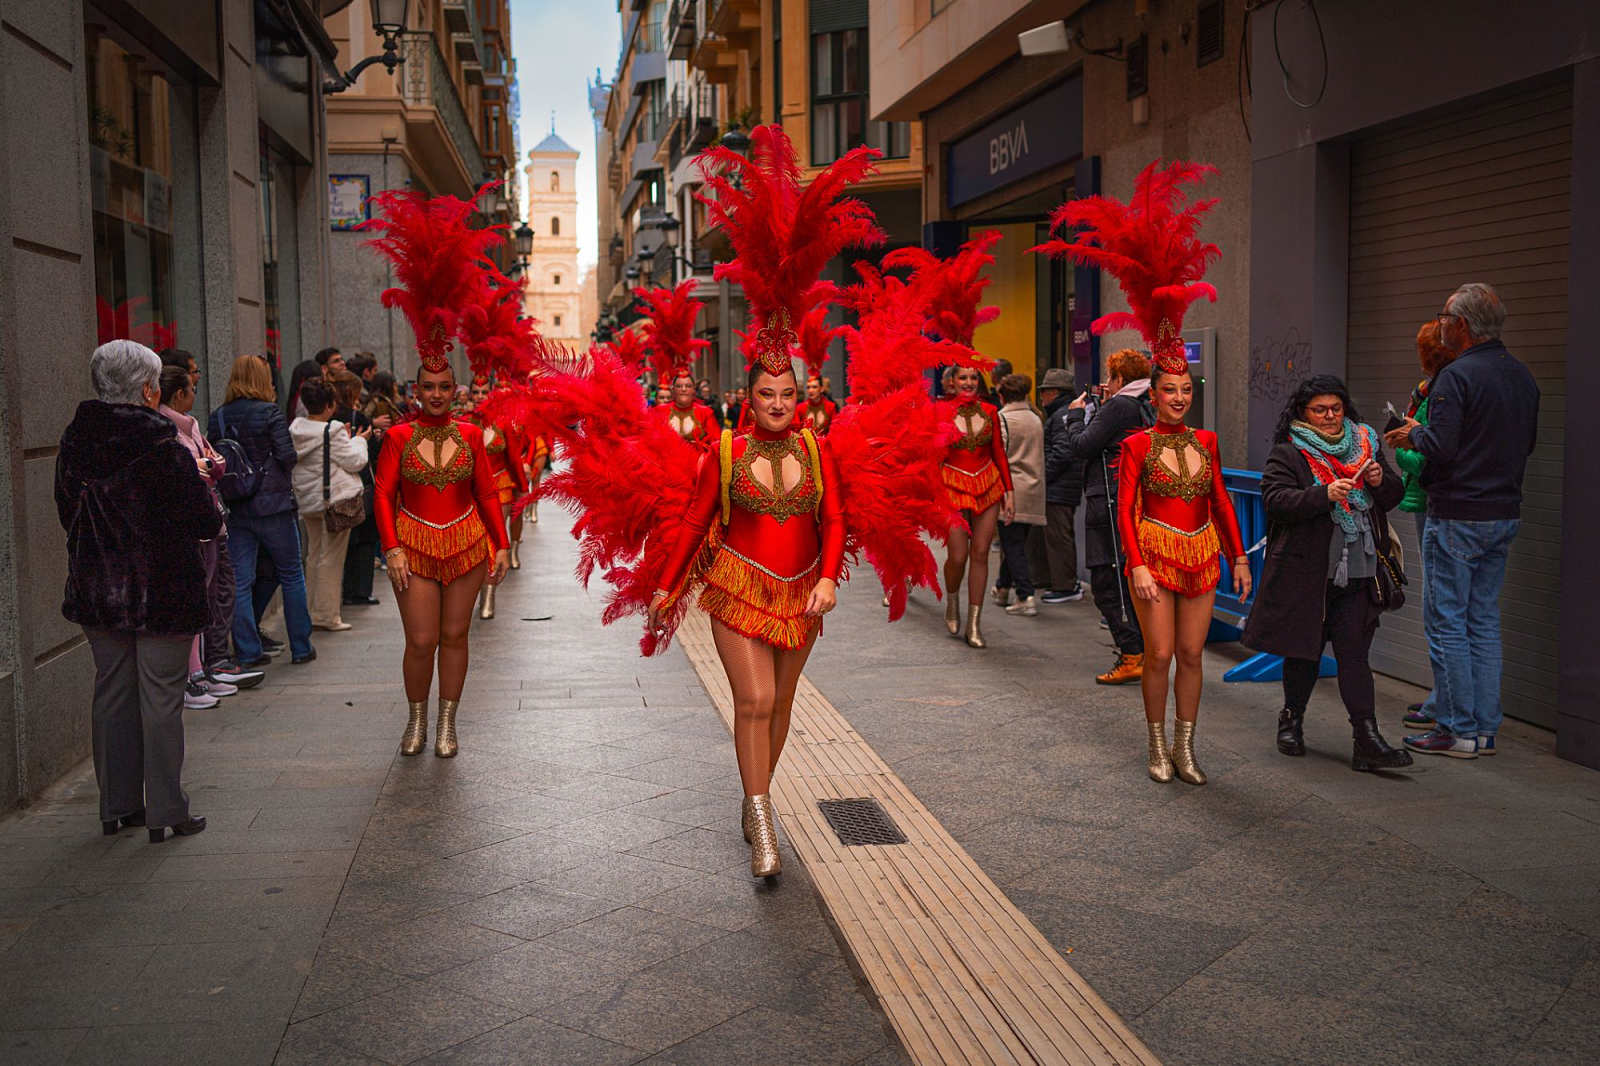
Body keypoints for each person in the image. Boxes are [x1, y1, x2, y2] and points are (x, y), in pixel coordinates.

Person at [1034, 160, 1246, 784]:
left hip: (1204, 554)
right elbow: (1125, 509)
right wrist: (1139, 564)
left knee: (1190, 654)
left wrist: (1236, 555)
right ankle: (1155, 745)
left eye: (1186, 389)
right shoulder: (1135, 443)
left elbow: (1221, 502)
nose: (1179, 397)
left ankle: (1187, 747)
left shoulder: (1206, 440)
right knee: (1156, 653)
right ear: (1152, 394)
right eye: (1169, 390)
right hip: (1153, 551)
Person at [366, 185, 511, 759]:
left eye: (443, 387)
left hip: (468, 544)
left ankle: (449, 723)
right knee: (420, 638)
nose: (433, 394)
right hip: (415, 547)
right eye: (425, 387)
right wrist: (392, 549)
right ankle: (417, 718)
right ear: (414, 390)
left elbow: (488, 492)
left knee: (456, 636)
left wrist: (500, 545)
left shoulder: (472, 435)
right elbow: (382, 495)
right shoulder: (397, 437)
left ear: (456, 390)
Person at [58, 340, 216, 842]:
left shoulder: (75, 441)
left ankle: (117, 805)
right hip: (162, 590)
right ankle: (166, 810)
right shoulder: (162, 446)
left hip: (97, 588)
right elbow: (204, 520)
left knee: (111, 692)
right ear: (149, 390)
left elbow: (67, 512)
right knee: (161, 698)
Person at [1385, 282, 1539, 759]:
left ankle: (1456, 729)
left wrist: (1414, 433)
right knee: (1482, 621)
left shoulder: (1457, 378)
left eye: (1446, 317)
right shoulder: (1521, 377)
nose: (1443, 324)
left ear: (1463, 326)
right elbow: (1525, 445)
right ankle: (1483, 730)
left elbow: (1442, 448)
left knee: (1447, 621)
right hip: (1502, 512)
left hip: (1457, 514)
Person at [1244, 376, 1413, 771]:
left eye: (1335, 408)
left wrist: (1379, 480)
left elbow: (1391, 497)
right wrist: (1323, 495)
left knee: (1355, 655)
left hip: (1359, 571)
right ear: (1303, 413)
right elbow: (1276, 501)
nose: (1329, 417)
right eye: (1319, 410)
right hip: (1308, 575)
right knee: (1304, 653)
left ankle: (1367, 739)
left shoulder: (1365, 445)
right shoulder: (1288, 453)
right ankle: (1292, 719)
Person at [210, 354, 317, 666]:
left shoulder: (218, 416)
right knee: (292, 573)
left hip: (238, 507)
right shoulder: (270, 412)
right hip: (275, 507)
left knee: (240, 581)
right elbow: (287, 455)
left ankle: (247, 651)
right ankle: (301, 647)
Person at [1062, 349, 1152, 683]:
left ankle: (1132, 655)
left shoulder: (1120, 406)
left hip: (1109, 499)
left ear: (1118, 378)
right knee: (1129, 577)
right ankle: (1144, 651)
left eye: (1110, 378)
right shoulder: (1147, 404)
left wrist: (1075, 416)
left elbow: (1082, 445)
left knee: (1107, 579)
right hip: (1137, 499)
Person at [1394, 321, 1458, 730]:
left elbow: (1433, 454)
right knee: (1451, 609)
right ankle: (1447, 701)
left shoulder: (1442, 392)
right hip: (1431, 500)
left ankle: (1449, 705)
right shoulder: (1426, 390)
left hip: (1436, 501)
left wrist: (1404, 447)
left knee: (1443, 608)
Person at [939, 366, 1015, 647]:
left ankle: (974, 623)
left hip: (988, 485)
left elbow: (999, 453)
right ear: (952, 382)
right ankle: (951, 598)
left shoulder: (991, 411)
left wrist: (1009, 491)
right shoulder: (941, 413)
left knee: (981, 552)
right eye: (963, 378)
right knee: (958, 555)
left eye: (973, 378)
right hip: (951, 487)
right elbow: (935, 455)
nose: (968, 383)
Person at [291, 378, 370, 633]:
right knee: (332, 558)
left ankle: (311, 611)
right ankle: (327, 615)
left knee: (314, 555)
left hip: (309, 500)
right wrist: (360, 440)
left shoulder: (296, 429)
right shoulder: (332, 430)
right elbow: (355, 461)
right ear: (328, 405)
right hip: (333, 501)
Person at [466, 375, 528, 617]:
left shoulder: (503, 423)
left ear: (491, 394)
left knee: (493, 540)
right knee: (473, 543)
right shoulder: (463, 423)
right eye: (476, 392)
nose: (480, 396)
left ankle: (488, 595)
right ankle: (471, 592)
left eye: (484, 392)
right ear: (470, 394)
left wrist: (523, 488)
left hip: (500, 488)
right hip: (470, 492)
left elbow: (513, 457)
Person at [994, 374, 1046, 616]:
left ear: (1002, 395)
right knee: (1016, 542)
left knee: (1012, 545)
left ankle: (1025, 595)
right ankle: (1002, 587)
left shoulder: (1003, 418)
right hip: (1034, 488)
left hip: (1011, 489)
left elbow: (1000, 455)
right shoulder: (1036, 418)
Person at [1038, 366, 1085, 604]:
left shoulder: (1061, 415)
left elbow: (1062, 453)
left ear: (1055, 392)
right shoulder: (1064, 413)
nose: (1042, 397)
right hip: (1064, 485)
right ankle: (1062, 582)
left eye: (1045, 391)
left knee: (1059, 536)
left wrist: (1042, 477)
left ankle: (1066, 585)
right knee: (1057, 536)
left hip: (1060, 487)